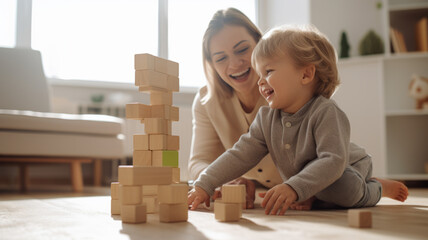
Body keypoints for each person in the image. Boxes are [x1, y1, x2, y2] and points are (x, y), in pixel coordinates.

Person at [188, 24, 409, 215]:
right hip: (312, 181)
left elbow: (332, 161)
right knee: (322, 192)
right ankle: (314, 194)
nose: (260, 81)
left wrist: (294, 187)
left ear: (305, 75)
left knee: (343, 189)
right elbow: (239, 155)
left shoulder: (325, 111)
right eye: (259, 72)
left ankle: (376, 187)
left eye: (268, 71)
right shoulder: (266, 118)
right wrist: (205, 184)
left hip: (347, 168)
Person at [188, 8, 283, 209]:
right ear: (212, 64)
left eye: (242, 50)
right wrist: (223, 182)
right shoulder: (207, 100)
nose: (235, 64)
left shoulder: (286, 86)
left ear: (260, 44)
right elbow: (199, 161)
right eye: (221, 58)